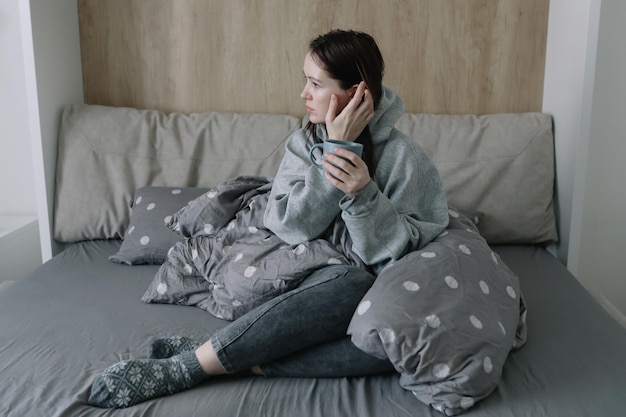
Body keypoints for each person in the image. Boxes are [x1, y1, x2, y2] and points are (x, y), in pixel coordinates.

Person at [88, 29, 449, 409]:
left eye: (315, 83)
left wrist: (362, 195)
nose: (303, 94)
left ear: (357, 92)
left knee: (396, 349)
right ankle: (187, 367)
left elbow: (390, 256)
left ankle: (242, 359)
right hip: (304, 273)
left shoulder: (406, 160)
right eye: (305, 80)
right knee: (349, 281)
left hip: (360, 288)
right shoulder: (304, 143)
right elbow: (292, 226)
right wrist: (335, 153)